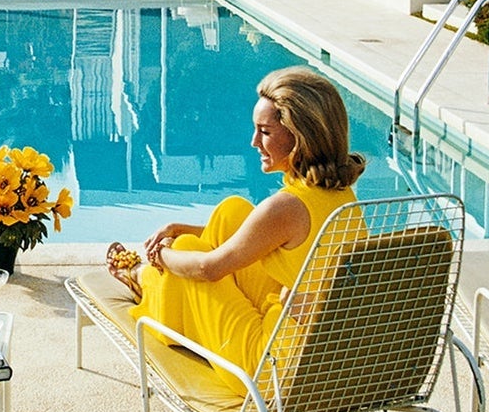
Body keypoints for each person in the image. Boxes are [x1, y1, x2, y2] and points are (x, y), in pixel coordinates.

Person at [106, 66, 364, 385]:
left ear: (301, 137)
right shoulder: (339, 195)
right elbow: (256, 237)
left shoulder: (286, 208)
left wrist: (163, 256)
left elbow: (208, 269)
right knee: (233, 212)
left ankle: (146, 281)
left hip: (270, 367)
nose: (254, 141)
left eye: (265, 132)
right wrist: (179, 226)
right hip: (315, 348)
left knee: (188, 251)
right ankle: (156, 285)